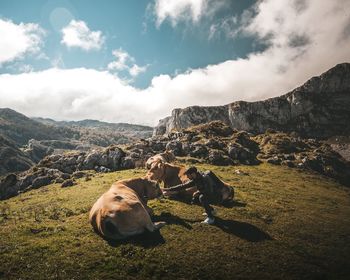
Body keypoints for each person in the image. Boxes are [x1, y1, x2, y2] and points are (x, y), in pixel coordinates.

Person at [162, 166, 229, 225]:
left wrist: (198, 192)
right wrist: (168, 189)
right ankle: (211, 210)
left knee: (202, 198)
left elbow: (210, 191)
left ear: (193, 174)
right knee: (197, 198)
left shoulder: (205, 178)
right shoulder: (196, 179)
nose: (187, 177)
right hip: (211, 195)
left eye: (188, 175)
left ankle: (211, 218)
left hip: (218, 196)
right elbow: (183, 186)